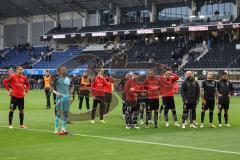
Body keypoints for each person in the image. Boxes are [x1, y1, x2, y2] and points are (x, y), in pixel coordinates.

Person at [52, 66, 73, 134]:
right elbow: (51, 87)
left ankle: (63, 128)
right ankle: (56, 129)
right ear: (60, 71)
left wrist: (70, 92)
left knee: (65, 114)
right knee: (58, 114)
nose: (65, 71)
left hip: (67, 99)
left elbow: (72, 86)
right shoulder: (57, 79)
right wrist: (57, 93)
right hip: (59, 99)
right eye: (63, 70)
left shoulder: (69, 79)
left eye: (65, 70)